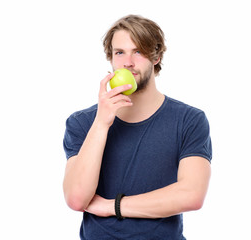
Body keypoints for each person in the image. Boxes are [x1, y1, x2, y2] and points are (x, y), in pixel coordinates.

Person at [62, 14, 212, 239]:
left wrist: (114, 206)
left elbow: (191, 194)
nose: (127, 62)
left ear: (157, 57)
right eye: (119, 52)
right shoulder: (82, 122)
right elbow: (76, 199)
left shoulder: (189, 120)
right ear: (111, 58)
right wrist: (101, 123)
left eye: (138, 51)